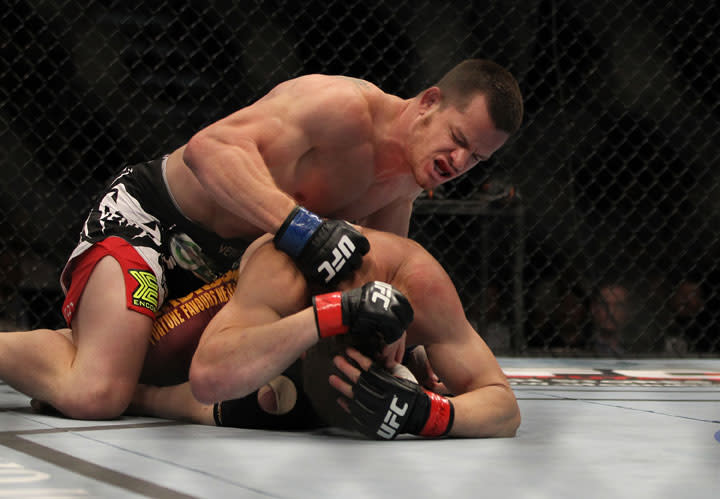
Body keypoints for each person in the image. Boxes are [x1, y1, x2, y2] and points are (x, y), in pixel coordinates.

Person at [0, 59, 524, 420]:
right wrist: (299, 227)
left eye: (477, 158)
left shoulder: (406, 182)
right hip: (152, 225)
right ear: (430, 101)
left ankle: (96, 351)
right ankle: (91, 360)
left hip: (230, 273)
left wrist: (402, 348)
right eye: (458, 140)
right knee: (97, 394)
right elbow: (210, 150)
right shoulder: (340, 106)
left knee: (240, 364)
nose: (458, 164)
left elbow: (374, 281)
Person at [127, 227, 520, 439]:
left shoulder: (419, 284)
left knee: (275, 403)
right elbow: (208, 377)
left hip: (301, 350)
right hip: (208, 284)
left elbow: (504, 410)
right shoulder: (285, 271)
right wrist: (326, 315)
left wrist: (425, 414)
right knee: (126, 380)